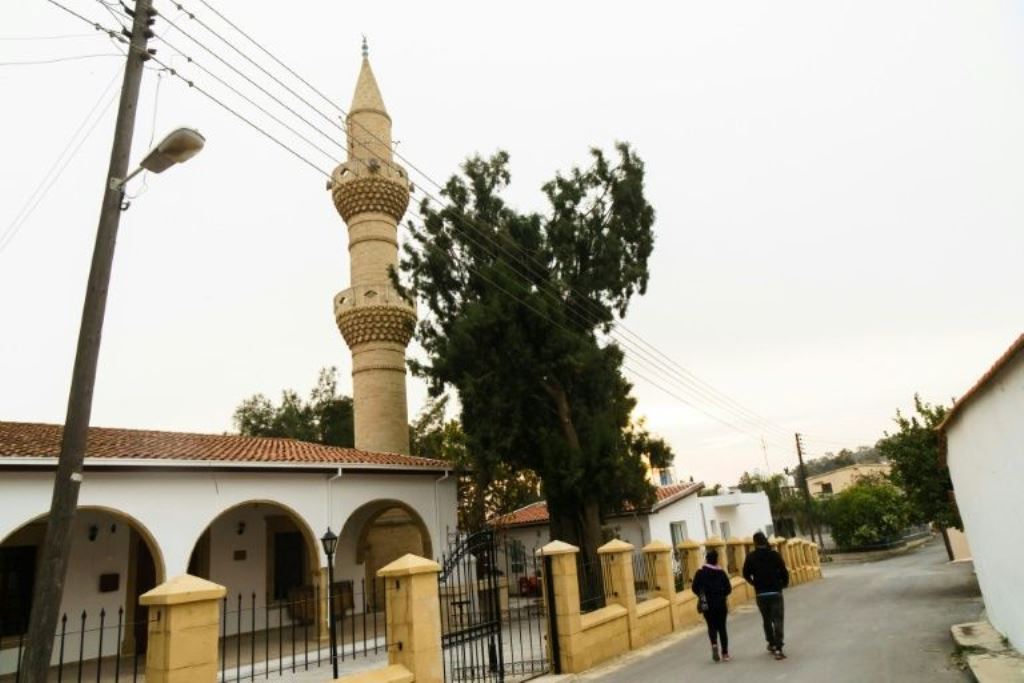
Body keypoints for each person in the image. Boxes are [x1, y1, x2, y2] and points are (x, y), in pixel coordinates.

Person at [742, 531, 790, 660]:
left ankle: (772, 643)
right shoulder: (774, 555)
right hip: (775, 592)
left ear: (755, 543)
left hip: (761, 594)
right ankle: (779, 648)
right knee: (778, 620)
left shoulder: (751, 557)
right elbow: (784, 571)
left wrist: (754, 583)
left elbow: (745, 573)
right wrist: (784, 584)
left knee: (767, 619)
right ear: (765, 541)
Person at [691, 548, 732, 662]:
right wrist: (722, 594)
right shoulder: (721, 573)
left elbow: (694, 587)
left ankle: (714, 645)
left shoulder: (700, 573)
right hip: (720, 602)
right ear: (716, 560)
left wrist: (701, 595)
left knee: (711, 626)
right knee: (722, 627)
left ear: (706, 560)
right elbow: (729, 589)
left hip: (705, 602)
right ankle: (725, 654)